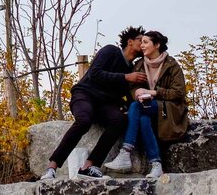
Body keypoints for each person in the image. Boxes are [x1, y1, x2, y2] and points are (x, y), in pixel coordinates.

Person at [41, 26, 147, 180]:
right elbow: (95, 73)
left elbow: (126, 95)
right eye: (140, 40)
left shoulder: (131, 69)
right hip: (84, 94)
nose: (143, 44)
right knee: (84, 120)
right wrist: (126, 77)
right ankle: (52, 168)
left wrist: (130, 107)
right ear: (130, 42)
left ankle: (89, 167)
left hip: (104, 104)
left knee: (120, 120)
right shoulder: (111, 51)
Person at [103, 30, 189, 179]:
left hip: (168, 110)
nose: (141, 46)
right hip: (146, 108)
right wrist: (136, 93)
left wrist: (154, 92)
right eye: (141, 42)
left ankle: (125, 153)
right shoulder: (140, 64)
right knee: (143, 119)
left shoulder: (171, 65)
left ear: (157, 45)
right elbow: (132, 87)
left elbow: (178, 93)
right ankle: (156, 165)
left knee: (135, 107)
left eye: (145, 42)